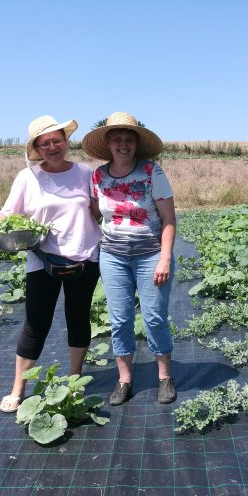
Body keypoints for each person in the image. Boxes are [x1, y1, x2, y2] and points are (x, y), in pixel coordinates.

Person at [0, 115, 101, 413]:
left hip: (84, 256)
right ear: (37, 148)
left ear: (66, 142)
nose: (52, 147)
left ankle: (74, 378)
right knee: (36, 323)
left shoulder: (85, 173)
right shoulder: (28, 177)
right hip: (42, 259)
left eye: (57, 140)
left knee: (78, 317)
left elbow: (97, 211)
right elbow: (8, 212)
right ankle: (17, 389)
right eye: (44, 143)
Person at [82, 112, 176, 405]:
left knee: (154, 317)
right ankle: (124, 380)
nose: (123, 144)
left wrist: (165, 259)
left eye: (128, 139)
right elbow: (94, 213)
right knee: (119, 319)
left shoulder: (152, 173)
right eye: (117, 139)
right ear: (108, 143)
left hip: (150, 256)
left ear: (136, 143)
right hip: (112, 257)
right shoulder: (98, 176)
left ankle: (164, 377)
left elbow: (169, 220)